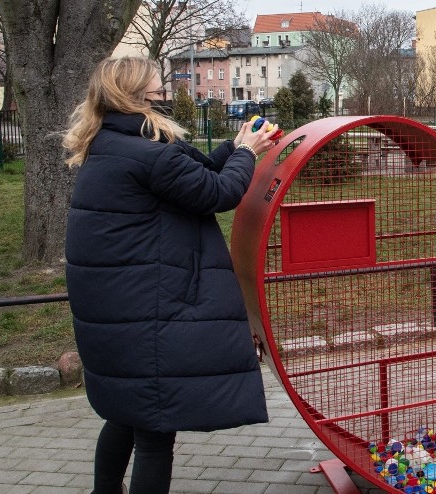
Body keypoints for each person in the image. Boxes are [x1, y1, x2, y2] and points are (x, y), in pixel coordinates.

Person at [62, 56, 278, 493]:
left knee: (125, 413)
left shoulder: (110, 144)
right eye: (161, 90)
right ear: (138, 97)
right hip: (147, 312)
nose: (168, 95)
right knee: (156, 431)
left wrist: (234, 147)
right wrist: (246, 155)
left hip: (116, 309)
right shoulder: (147, 154)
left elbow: (189, 177)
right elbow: (216, 193)